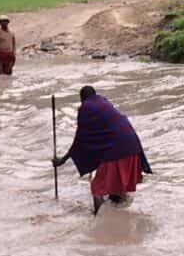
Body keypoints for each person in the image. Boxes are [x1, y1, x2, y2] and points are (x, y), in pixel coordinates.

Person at [53, 86, 153, 215]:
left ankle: (99, 219)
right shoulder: (104, 102)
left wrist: (63, 160)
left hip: (118, 150)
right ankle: (119, 216)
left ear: (82, 99)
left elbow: (80, 138)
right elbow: (101, 135)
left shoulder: (86, 108)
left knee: (97, 188)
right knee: (115, 192)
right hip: (133, 145)